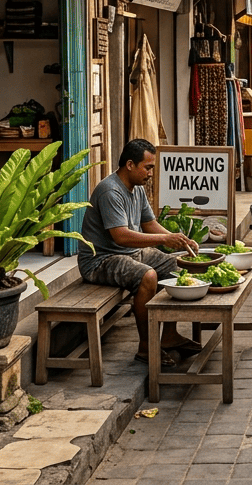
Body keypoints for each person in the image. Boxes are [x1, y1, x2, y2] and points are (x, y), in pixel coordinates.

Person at [79, 139, 200, 367]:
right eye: (148, 167)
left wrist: (179, 240)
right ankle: (145, 347)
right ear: (130, 165)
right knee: (148, 277)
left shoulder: (137, 189)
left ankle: (169, 335)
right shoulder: (110, 191)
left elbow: (149, 224)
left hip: (129, 253)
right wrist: (164, 239)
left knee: (176, 267)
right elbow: (121, 236)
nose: (150, 173)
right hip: (100, 260)